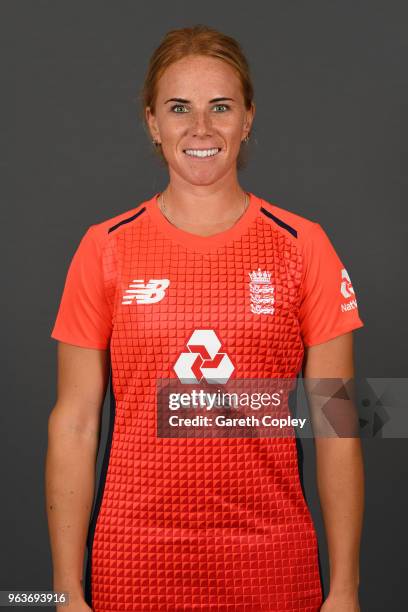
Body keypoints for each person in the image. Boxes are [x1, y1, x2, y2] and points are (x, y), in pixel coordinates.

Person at [46, 24, 364, 612]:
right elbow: (74, 424)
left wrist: (344, 589)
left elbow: (339, 423)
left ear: (247, 119)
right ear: (152, 123)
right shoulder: (105, 248)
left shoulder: (304, 246)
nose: (200, 128)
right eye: (179, 109)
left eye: (221, 107)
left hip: (273, 562)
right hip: (132, 562)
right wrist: (64, 591)